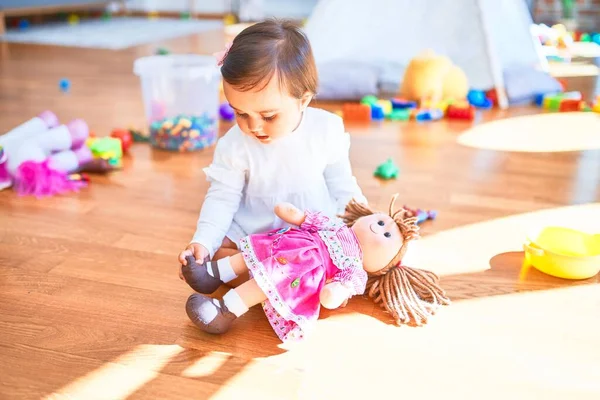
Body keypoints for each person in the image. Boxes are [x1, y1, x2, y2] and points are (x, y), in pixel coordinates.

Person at [178, 19, 367, 283]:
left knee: (336, 253)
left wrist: (361, 222)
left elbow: (342, 184)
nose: (253, 126)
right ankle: (276, 275)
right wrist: (203, 242)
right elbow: (222, 197)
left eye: (268, 116)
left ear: (303, 100)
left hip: (311, 230)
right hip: (252, 229)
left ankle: (278, 275)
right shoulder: (234, 144)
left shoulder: (326, 129)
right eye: (240, 113)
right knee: (221, 253)